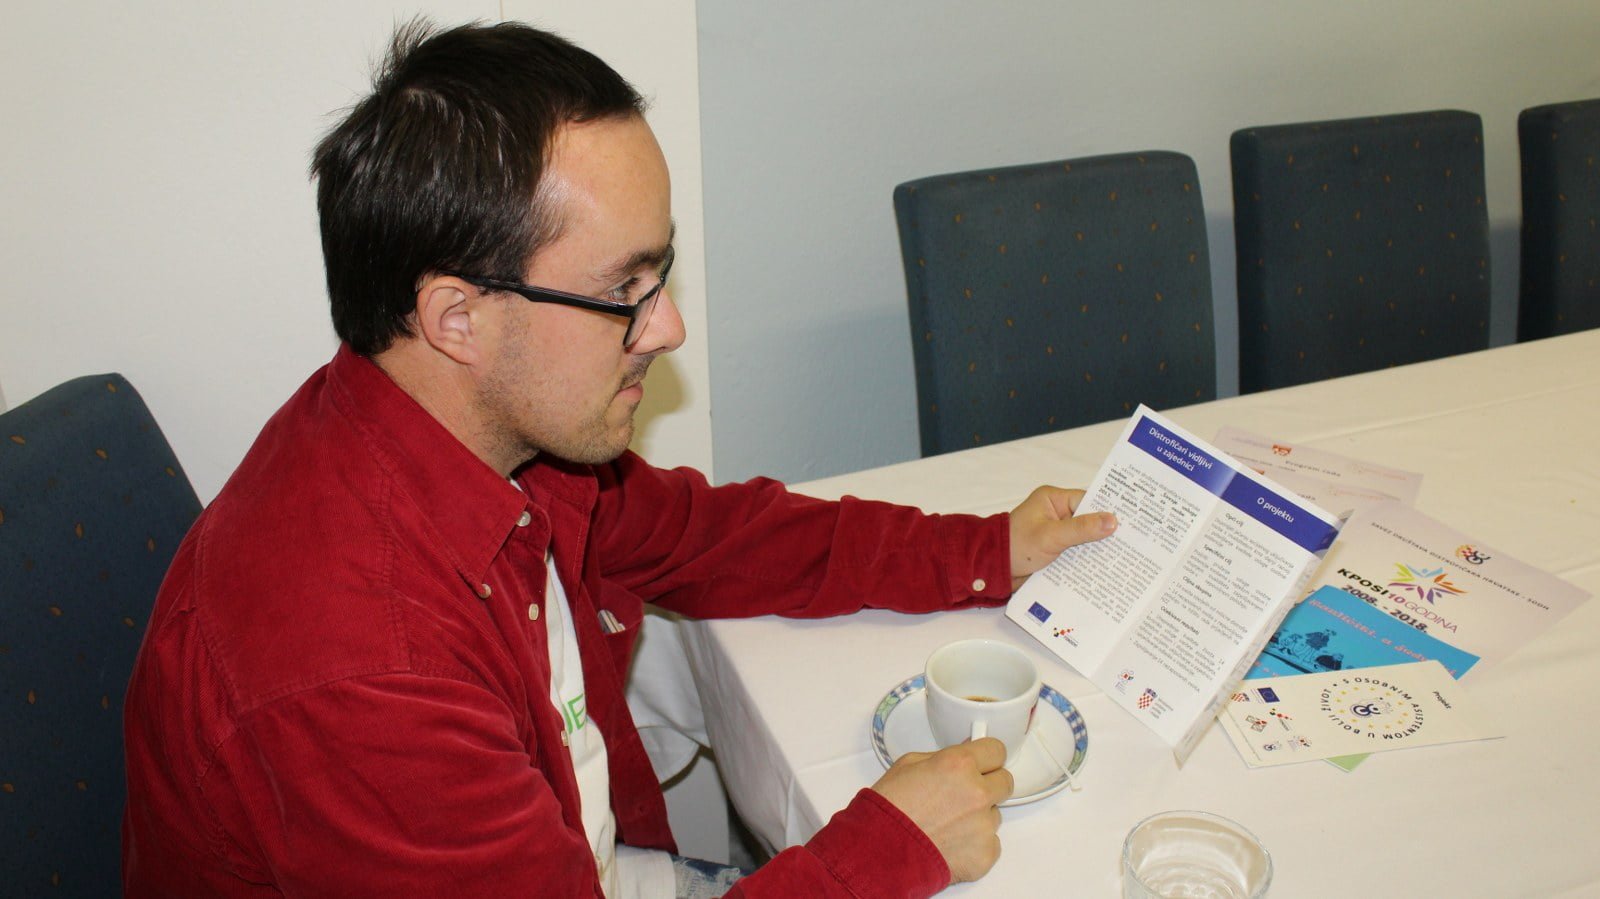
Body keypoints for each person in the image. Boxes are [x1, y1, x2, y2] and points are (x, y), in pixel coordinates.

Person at [121, 20, 1116, 898]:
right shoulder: (361, 670)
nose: (668, 326)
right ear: (456, 318)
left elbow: (713, 536)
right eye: (622, 290)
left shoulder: (490, 431)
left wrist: (988, 547)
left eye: (661, 271)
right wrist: (889, 847)